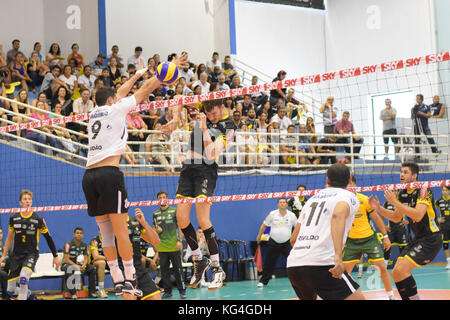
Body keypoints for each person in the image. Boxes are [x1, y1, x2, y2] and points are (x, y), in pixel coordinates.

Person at [81, 54, 188, 298]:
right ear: (111, 100)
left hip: (89, 176)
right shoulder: (117, 108)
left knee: (106, 233)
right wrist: (165, 70)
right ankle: (130, 278)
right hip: (109, 174)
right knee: (120, 231)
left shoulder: (94, 114)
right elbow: (146, 90)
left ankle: (118, 279)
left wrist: (138, 74)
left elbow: (119, 90)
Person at [162, 98, 234, 291]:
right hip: (187, 168)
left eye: (214, 113)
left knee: (203, 220)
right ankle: (198, 259)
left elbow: (212, 154)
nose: (211, 116)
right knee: (181, 218)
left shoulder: (228, 126)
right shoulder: (202, 108)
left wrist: (203, 128)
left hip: (205, 169)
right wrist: (176, 119)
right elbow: (178, 100)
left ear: (221, 107)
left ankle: (217, 267)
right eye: (208, 113)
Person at [287, 163, 365, 300]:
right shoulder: (349, 196)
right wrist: (338, 257)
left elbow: (293, 239)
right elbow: (337, 215)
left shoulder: (311, 200)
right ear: (349, 180)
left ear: (327, 179)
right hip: (322, 264)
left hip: (294, 265)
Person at [368, 162, 442, 300]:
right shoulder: (402, 193)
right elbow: (396, 218)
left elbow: (418, 215)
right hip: (418, 239)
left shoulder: (424, 189)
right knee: (396, 272)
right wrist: (379, 209)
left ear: (414, 176)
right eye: (401, 172)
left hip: (431, 239)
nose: (402, 174)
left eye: (406, 172)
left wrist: (395, 202)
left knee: (402, 270)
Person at [0, 190, 62, 300]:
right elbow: (9, 237)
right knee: (10, 290)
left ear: (32, 202)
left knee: (24, 278)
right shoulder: (13, 218)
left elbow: (48, 237)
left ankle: (23, 295)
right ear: (20, 202)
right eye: (25, 199)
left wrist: (55, 256)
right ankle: (26, 293)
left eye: (29, 199)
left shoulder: (38, 219)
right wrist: (4, 255)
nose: (27, 201)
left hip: (31, 254)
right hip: (16, 255)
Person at [342, 176, 395, 300]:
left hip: (369, 239)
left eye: (351, 184)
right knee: (344, 273)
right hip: (351, 241)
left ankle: (391, 296)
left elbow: (376, 218)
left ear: (355, 185)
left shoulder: (364, 200)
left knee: (382, 267)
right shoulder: (341, 202)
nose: (349, 186)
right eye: (347, 184)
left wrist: (386, 237)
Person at [119, 208, 162, 301]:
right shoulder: (110, 224)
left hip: (139, 269)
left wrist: (144, 222)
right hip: (124, 270)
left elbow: (156, 241)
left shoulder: (135, 222)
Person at [256, 198, 297, 287]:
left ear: (287, 204)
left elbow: (297, 227)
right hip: (273, 242)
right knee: (268, 263)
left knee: (293, 261)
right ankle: (263, 281)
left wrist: (295, 238)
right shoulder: (272, 214)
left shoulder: (292, 215)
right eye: (280, 202)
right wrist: (259, 236)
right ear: (278, 204)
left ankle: (298, 280)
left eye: (284, 202)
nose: (282, 204)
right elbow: (264, 225)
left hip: (287, 243)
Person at [152, 191, 186, 299]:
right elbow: (154, 230)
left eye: (164, 197)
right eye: (160, 197)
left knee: (178, 269)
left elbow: (181, 226)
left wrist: (180, 240)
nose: (162, 199)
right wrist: (157, 230)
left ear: (167, 199)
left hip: (174, 246)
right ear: (158, 200)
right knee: (164, 271)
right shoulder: (155, 214)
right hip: (162, 247)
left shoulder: (174, 211)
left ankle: (182, 291)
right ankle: (167, 291)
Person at [62, 227, 97, 299]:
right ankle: (73, 293)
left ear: (83, 235)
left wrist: (84, 265)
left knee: (92, 269)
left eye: (81, 233)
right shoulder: (68, 244)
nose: (79, 235)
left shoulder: (84, 245)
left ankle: (92, 292)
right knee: (70, 269)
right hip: (68, 264)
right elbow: (66, 259)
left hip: (80, 265)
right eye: (77, 233)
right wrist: (76, 266)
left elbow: (86, 257)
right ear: (74, 234)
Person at [382, 190, 409, 267]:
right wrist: (384, 226)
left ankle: (403, 267)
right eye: (392, 191)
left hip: (401, 229)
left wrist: (408, 221)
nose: (394, 192)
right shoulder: (386, 203)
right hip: (391, 229)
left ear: (398, 192)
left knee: (403, 249)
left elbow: (411, 211)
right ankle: (384, 267)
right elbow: (380, 214)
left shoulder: (402, 202)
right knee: (387, 248)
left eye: (396, 191)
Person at [88, 232, 109, 298]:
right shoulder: (95, 241)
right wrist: (109, 258)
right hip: (95, 263)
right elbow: (96, 256)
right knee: (101, 262)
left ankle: (123, 288)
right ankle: (101, 289)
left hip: (109, 262)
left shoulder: (111, 239)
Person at [435, 186, 450, 269]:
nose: (444, 191)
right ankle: (449, 262)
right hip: (444, 226)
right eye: (443, 190)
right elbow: (431, 210)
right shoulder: (439, 200)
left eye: (446, 190)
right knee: (445, 244)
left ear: (449, 191)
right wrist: (437, 219)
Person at [0, 228, 12, 299]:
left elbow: (12, 260)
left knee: (20, 272)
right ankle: (5, 296)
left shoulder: (6, 247)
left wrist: (5, 264)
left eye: (1, 233)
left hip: (7, 269)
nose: (0, 235)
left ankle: (24, 295)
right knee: (3, 274)